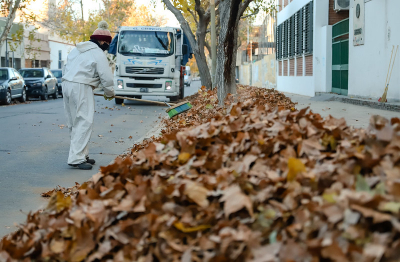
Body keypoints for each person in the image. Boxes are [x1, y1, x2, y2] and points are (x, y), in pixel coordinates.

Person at [62, 21, 115, 170]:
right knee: (84, 121)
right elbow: (106, 76)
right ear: (102, 41)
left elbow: (67, 67)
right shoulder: (97, 53)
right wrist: (110, 92)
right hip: (80, 86)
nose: (106, 46)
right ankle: (76, 158)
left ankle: (82, 154)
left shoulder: (77, 49)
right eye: (107, 43)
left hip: (67, 84)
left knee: (75, 121)